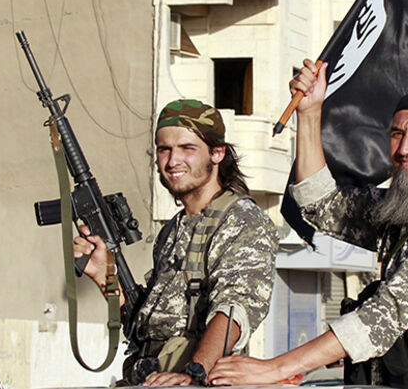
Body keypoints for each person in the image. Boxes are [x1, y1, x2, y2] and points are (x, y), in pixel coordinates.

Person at [209, 59, 408, 389]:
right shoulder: (407, 212)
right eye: (397, 134)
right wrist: (309, 113)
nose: (404, 148)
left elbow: (381, 316)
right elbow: (320, 205)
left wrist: (274, 369)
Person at [73, 99, 278, 386]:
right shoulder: (172, 230)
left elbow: (235, 309)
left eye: (187, 148)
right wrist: (105, 276)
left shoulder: (240, 219)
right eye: (164, 149)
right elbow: (145, 327)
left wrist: (194, 374)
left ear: (217, 153)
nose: (172, 161)